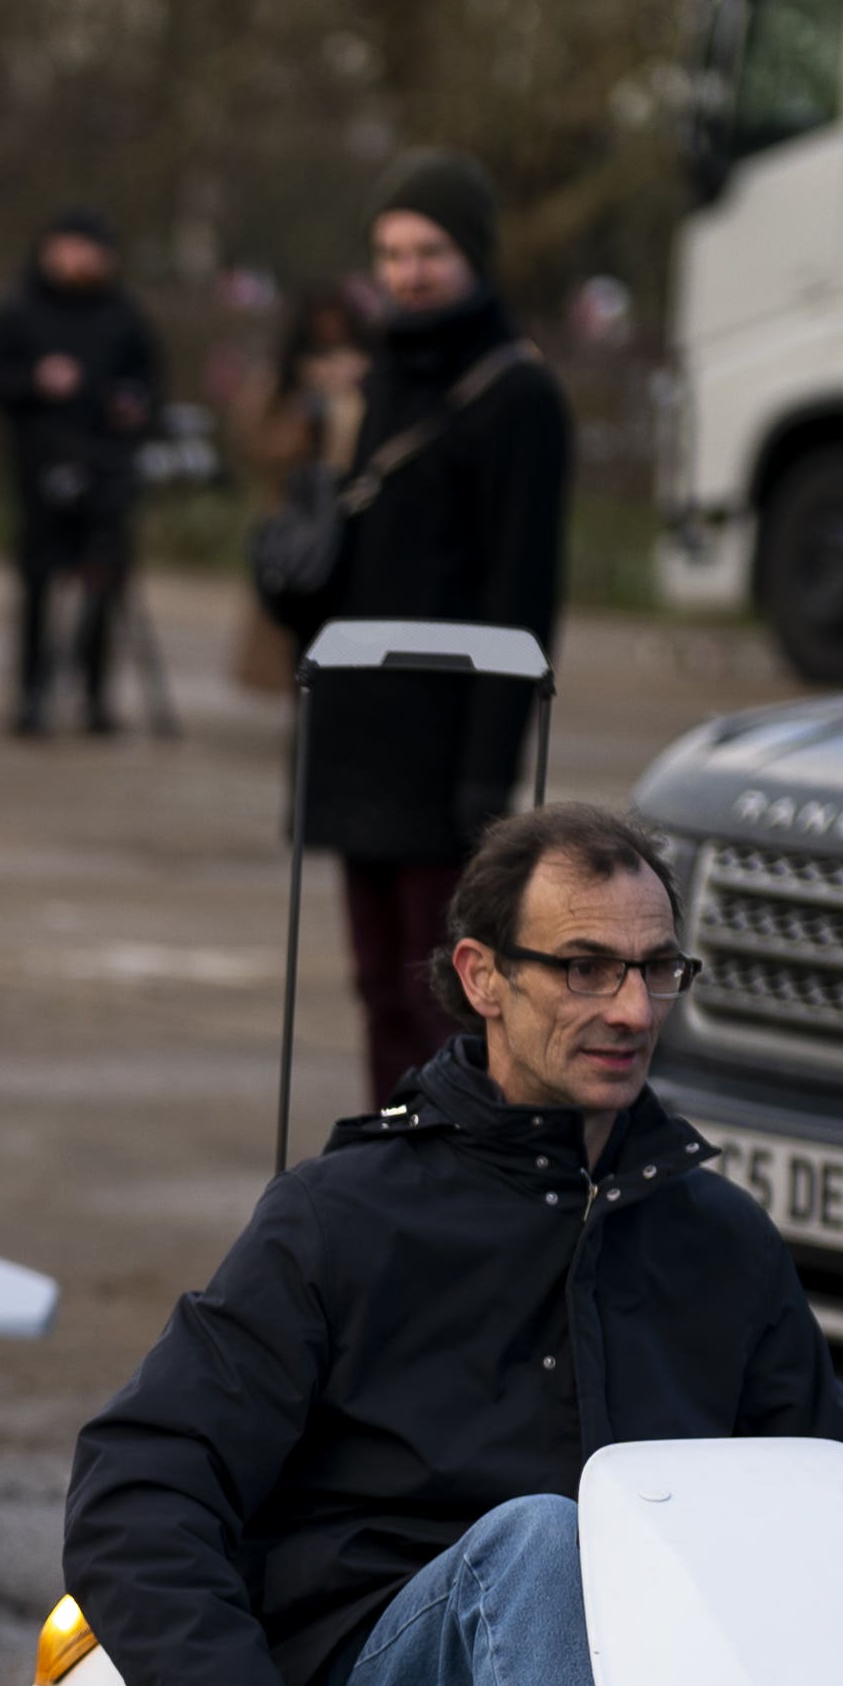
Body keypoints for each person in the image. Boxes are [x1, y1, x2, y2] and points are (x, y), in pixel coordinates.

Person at [58, 805, 843, 1686]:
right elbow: (139, 1490)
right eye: (585, 968)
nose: (631, 1009)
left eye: (655, 968)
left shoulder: (719, 1236)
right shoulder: (340, 1216)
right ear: (481, 975)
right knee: (538, 1541)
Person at [265, 150, 573, 1102]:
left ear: (473, 254)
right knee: (375, 989)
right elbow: (357, 569)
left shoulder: (520, 394)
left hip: (445, 741)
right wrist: (288, 572)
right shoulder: (376, 379)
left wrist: (488, 765)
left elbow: (522, 593)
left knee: (447, 999)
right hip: (355, 725)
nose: (408, 272)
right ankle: (391, 1161)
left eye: (430, 251)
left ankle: (453, 1167)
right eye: (391, 253)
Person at [0, 209, 159, 739]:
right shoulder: (18, 311)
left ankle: (94, 696)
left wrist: (134, 405)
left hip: (108, 466)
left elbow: (148, 379)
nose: (79, 261)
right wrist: (35, 381)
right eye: (69, 249)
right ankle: (32, 693)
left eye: (90, 251)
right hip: (40, 466)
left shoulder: (124, 315)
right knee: (38, 584)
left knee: (102, 582)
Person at [226, 282, 375, 700]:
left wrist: (352, 397)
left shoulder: (372, 380)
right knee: (294, 623)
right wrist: (305, 411)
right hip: (294, 520)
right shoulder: (280, 381)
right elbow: (256, 442)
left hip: (353, 517)